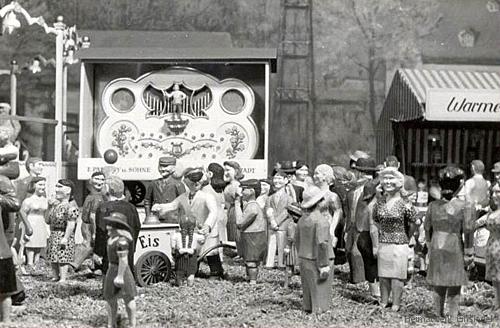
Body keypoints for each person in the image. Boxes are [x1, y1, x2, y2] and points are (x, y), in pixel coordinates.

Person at [153, 167, 222, 279]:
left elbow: (213, 212)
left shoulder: (207, 197)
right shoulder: (183, 197)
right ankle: (193, 270)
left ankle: (216, 272)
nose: (195, 183)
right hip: (192, 230)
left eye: (198, 181)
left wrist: (208, 225)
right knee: (195, 251)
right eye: (192, 181)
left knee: (211, 252)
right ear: (186, 182)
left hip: (207, 229)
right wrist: (160, 207)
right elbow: (172, 205)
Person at [425, 166, 475, 321]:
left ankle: (437, 313)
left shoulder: (433, 206)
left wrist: (428, 244)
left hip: (436, 244)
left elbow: (427, 227)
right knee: (454, 282)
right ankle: (453, 316)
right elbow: (468, 230)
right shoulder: (465, 206)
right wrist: (469, 252)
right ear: (460, 184)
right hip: (454, 245)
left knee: (438, 281)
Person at [372, 167, 417, 312]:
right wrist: (381, 234)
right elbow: (375, 220)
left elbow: (415, 222)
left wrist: (408, 237)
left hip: (400, 242)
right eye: (385, 179)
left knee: (397, 276)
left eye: (391, 179)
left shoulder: (405, 203)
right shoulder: (379, 203)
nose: (388, 182)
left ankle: (396, 302)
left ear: (399, 182)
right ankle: (384, 300)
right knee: (383, 275)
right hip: (384, 242)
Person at [295, 185, 334, 313]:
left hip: (304, 256)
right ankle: (319, 308)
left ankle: (308, 306)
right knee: (320, 285)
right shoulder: (321, 221)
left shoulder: (301, 220)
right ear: (319, 203)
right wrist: (324, 264)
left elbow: (297, 239)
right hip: (318, 258)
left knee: (307, 285)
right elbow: (322, 243)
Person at [95, 176, 141, 276]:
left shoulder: (103, 208)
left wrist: (98, 252)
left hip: (109, 250)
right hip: (127, 248)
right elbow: (137, 226)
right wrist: (132, 246)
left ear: (107, 189)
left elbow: (101, 231)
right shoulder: (131, 207)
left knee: (110, 275)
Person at [345, 156, 377, 284]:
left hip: (364, 226)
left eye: (368, 173)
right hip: (351, 225)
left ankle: (362, 280)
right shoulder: (352, 190)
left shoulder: (372, 189)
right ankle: (355, 278)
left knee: (358, 252)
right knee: (349, 251)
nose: (364, 175)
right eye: (362, 172)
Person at [102, 212, 137, 328]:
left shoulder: (122, 241)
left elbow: (123, 260)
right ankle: (111, 323)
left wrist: (120, 276)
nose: (108, 226)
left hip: (122, 271)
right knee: (110, 299)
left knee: (128, 298)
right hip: (112, 269)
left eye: (111, 223)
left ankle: (132, 324)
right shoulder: (111, 239)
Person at [45, 179, 80, 283]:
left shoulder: (71, 207)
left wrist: (65, 237)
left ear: (68, 190)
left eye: (60, 187)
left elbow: (71, 224)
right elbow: (47, 220)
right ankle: (55, 276)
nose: (56, 190)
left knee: (62, 257)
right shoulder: (55, 206)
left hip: (63, 234)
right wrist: (49, 206)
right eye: (56, 187)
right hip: (54, 233)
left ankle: (63, 277)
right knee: (53, 256)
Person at [0, 175, 23, 323]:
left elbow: (15, 204)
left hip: (2, 252)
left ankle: (6, 320)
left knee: (5, 293)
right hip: (3, 252)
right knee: (5, 293)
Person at [72, 171, 106, 272]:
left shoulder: (94, 195)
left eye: (102, 179)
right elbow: (92, 216)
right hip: (91, 225)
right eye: (97, 179)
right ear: (91, 181)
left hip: (88, 224)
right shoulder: (96, 198)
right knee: (88, 245)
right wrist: (95, 231)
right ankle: (72, 264)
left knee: (95, 246)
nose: (100, 182)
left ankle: (96, 266)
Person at [235, 179, 266, 284]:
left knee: (251, 260)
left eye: (244, 189)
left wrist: (236, 204)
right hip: (252, 235)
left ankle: (252, 281)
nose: (242, 192)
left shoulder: (252, 207)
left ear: (252, 191)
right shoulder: (251, 205)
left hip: (253, 236)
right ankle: (250, 279)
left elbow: (240, 223)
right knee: (249, 259)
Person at [264, 170, 293, 269]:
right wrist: (271, 221)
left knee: (281, 245)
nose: (277, 181)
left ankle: (281, 263)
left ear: (286, 181)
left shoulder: (289, 198)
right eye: (275, 178)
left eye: (280, 178)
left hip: (282, 225)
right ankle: (269, 262)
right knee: (271, 244)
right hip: (272, 226)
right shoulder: (269, 198)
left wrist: (276, 222)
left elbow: (287, 211)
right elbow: (268, 209)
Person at [19, 176, 48, 272]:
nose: (42, 187)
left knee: (39, 244)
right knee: (31, 243)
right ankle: (30, 263)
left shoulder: (44, 199)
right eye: (40, 184)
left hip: (41, 222)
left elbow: (46, 213)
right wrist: (26, 225)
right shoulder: (28, 200)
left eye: (44, 184)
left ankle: (37, 262)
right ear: (34, 185)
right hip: (31, 221)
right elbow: (22, 212)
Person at [144, 157, 185, 224]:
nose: (162, 169)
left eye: (166, 166)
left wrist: (182, 220)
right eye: (160, 166)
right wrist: (148, 216)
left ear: (173, 168)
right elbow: (147, 201)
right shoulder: (153, 184)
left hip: (172, 220)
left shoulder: (178, 185)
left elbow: (183, 203)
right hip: (155, 219)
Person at [171, 214, 205, 287]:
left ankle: (181, 286)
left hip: (182, 256)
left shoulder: (176, 235)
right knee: (190, 275)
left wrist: (173, 250)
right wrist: (201, 231)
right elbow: (202, 240)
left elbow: (173, 245)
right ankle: (188, 287)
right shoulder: (195, 235)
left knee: (181, 274)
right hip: (190, 256)